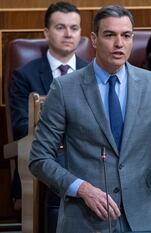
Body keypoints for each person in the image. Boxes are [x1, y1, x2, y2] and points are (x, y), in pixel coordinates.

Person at [29, 4, 151, 233]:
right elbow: (39, 159)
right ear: (94, 39)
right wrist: (82, 189)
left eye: (126, 35)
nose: (119, 43)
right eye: (110, 35)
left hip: (144, 217)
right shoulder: (65, 88)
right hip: (86, 217)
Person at [8, 1, 86, 215]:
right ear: (46, 32)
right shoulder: (25, 75)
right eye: (60, 27)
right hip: (43, 159)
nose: (68, 34)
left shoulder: (93, 73)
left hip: (91, 160)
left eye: (74, 28)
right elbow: (22, 126)